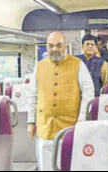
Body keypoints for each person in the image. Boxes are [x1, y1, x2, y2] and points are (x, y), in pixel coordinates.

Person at [27, 32, 94, 171]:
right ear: (47, 47)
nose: (55, 49)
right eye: (51, 46)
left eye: (58, 45)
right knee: (45, 167)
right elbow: (32, 95)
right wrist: (31, 122)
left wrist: (82, 120)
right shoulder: (39, 67)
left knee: (68, 166)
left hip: (69, 127)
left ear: (65, 46)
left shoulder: (78, 65)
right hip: (44, 126)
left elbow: (88, 93)